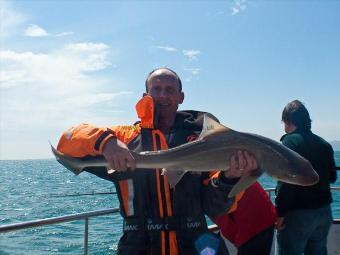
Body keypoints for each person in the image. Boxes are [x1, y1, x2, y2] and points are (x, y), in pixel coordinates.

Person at [57, 67, 259, 255]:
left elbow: (216, 208)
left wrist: (230, 178)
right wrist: (106, 142)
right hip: (138, 245)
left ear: (181, 97)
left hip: (196, 243)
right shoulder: (125, 138)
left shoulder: (201, 142)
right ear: (146, 96)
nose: (163, 95)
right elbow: (66, 141)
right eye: (157, 89)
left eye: (170, 89)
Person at [275, 99, 337, 255]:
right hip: (324, 213)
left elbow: (284, 183)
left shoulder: (289, 142)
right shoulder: (325, 144)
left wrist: (280, 213)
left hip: (297, 215)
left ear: (288, 121)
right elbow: (332, 177)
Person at [214, 181, 277, 255]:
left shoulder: (210, 185)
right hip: (266, 215)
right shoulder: (216, 176)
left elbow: (222, 215)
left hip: (251, 226)